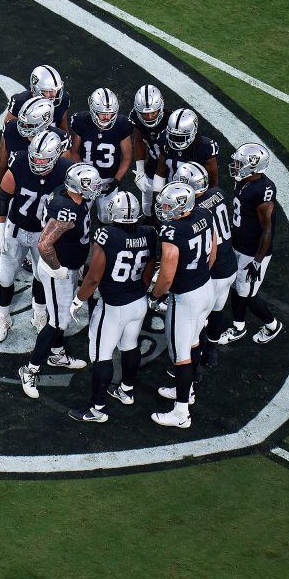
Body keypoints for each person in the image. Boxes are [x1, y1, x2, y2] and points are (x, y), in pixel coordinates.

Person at [17, 163, 104, 399]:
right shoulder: (66, 208)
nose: (95, 188)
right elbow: (44, 244)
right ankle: (29, 369)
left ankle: (56, 353)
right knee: (58, 322)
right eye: (92, 184)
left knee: (59, 319)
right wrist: (58, 270)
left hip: (67, 265)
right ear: (79, 186)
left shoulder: (66, 194)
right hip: (59, 270)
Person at [67, 192, 155, 421]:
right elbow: (150, 268)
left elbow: (94, 277)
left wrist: (78, 299)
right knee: (130, 345)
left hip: (114, 306)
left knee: (101, 355)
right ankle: (126, 391)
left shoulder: (107, 234)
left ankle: (96, 409)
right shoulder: (148, 233)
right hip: (138, 301)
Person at [0, 63, 73, 275]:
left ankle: (26, 253)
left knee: (34, 213)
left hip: (46, 153)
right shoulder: (18, 115)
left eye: (55, 92)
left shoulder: (59, 112)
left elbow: (64, 132)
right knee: (7, 207)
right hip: (23, 160)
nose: (52, 96)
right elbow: (2, 158)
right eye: (48, 91)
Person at [0, 128, 71, 341]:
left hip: (43, 235)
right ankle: (3, 317)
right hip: (15, 229)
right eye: (35, 157)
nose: (38, 163)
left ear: (56, 156)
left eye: (44, 160)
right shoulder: (19, 162)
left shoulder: (66, 171)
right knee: (5, 277)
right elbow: (4, 197)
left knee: (41, 277)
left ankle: (40, 313)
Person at [149, 183, 217, 428]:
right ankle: (187, 392)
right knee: (193, 342)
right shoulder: (204, 214)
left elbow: (167, 276)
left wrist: (155, 296)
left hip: (186, 296)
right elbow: (213, 252)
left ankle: (181, 413)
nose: (163, 209)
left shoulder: (172, 231)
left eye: (168, 206)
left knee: (180, 355)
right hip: (205, 287)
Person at [171, 161, 236, 367]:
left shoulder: (196, 210)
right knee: (218, 309)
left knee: (196, 320)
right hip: (230, 261)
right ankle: (212, 351)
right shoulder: (219, 192)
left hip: (213, 268)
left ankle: (194, 366)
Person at [223, 143, 283, 344]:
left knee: (247, 293)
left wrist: (257, 261)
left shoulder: (263, 191)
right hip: (239, 243)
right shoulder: (243, 182)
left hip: (253, 251)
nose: (236, 167)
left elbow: (267, 229)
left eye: (240, 164)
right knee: (236, 287)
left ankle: (272, 325)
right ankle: (239, 327)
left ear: (254, 166)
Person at [70, 88, 133, 195]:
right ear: (93, 110)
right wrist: (83, 173)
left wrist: (116, 180)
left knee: (107, 211)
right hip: (85, 178)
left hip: (109, 179)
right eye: (102, 113)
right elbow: (73, 151)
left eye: (111, 113)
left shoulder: (122, 124)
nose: (107, 117)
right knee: (80, 209)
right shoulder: (81, 121)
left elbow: (127, 156)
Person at [152, 108, 220, 193]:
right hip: (170, 192)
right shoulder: (164, 139)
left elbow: (213, 183)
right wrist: (157, 195)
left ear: (193, 131)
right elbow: (161, 171)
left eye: (181, 137)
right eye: (173, 135)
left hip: (196, 195)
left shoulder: (205, 147)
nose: (176, 141)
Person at [130, 85, 168, 215]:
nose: (150, 116)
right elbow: (139, 140)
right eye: (145, 114)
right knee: (147, 200)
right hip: (154, 161)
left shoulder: (171, 120)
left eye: (153, 112)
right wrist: (140, 169)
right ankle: (149, 220)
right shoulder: (135, 117)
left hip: (172, 163)